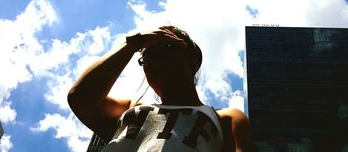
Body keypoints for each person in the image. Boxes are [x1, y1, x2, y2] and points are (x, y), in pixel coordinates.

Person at [68, 26, 255, 151]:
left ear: (191, 57)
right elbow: (80, 98)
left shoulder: (226, 117)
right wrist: (133, 44)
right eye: (147, 58)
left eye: (166, 48)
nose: (155, 62)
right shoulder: (131, 106)